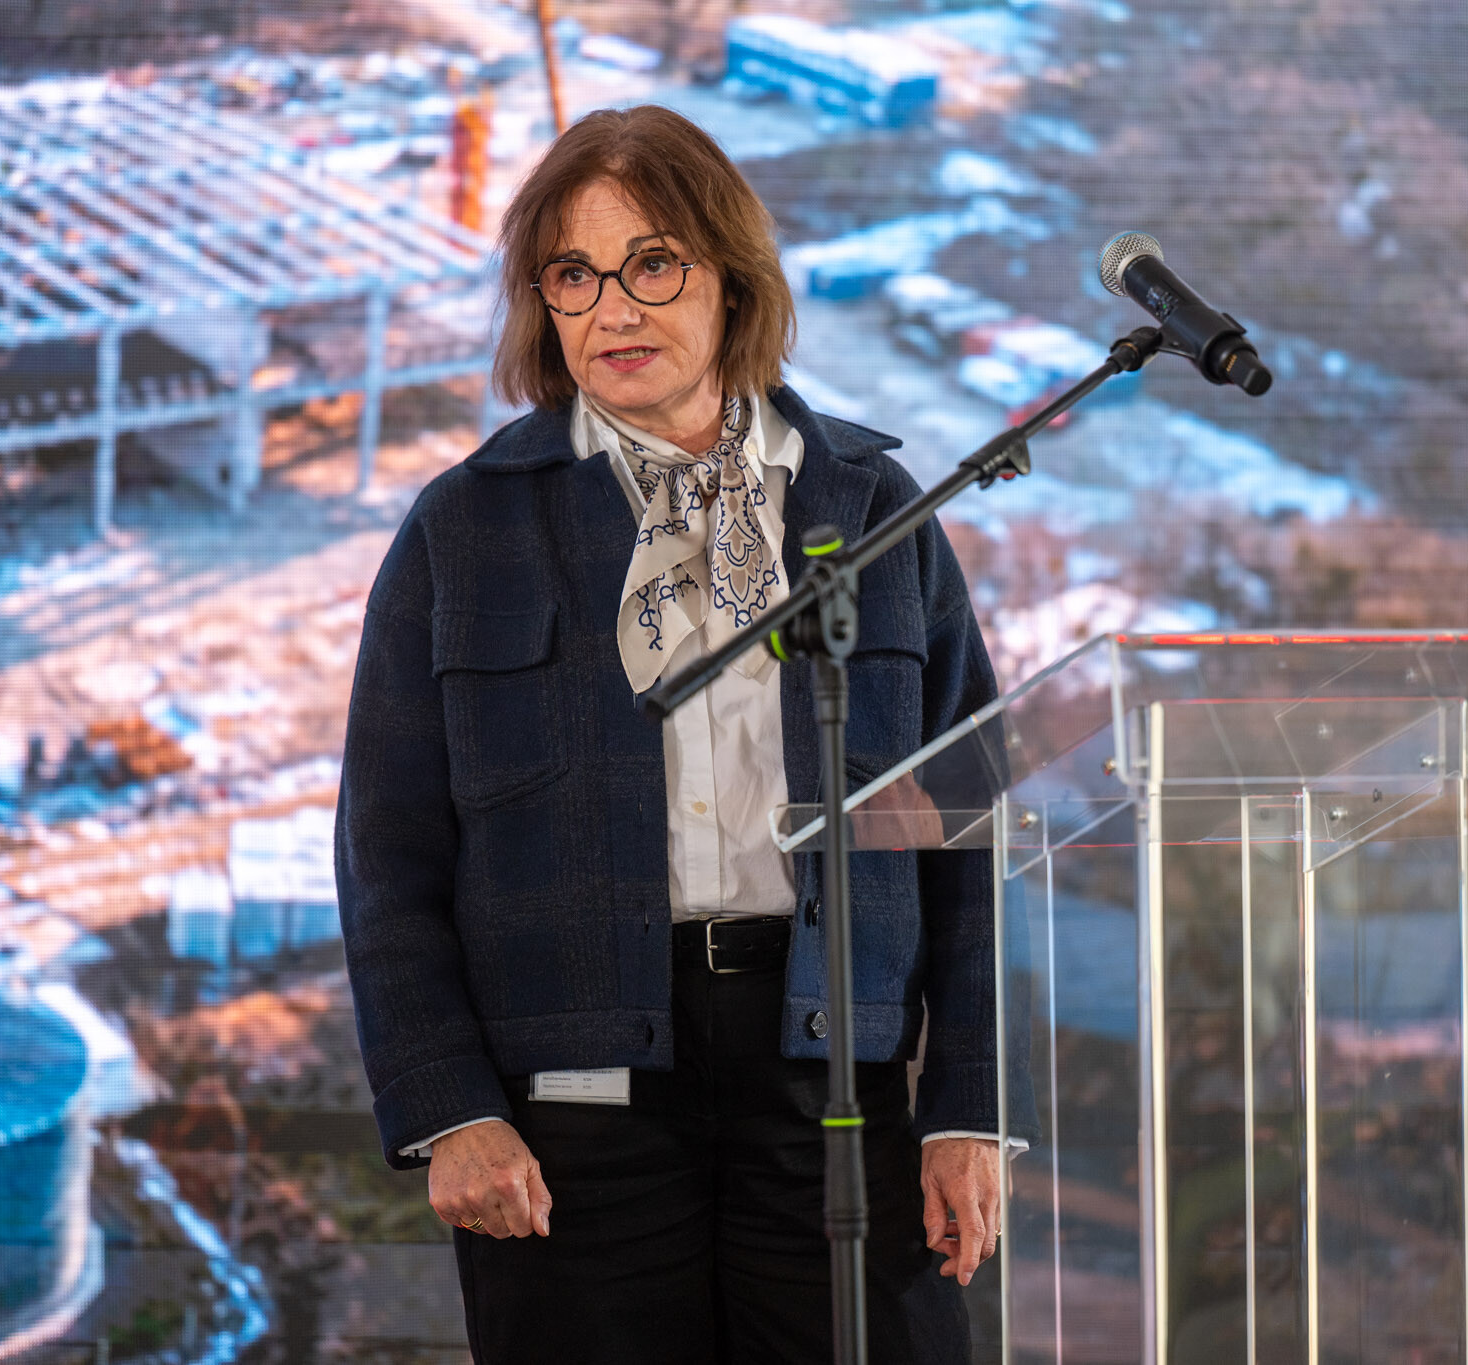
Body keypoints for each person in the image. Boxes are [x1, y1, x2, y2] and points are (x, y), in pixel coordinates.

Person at [336, 104, 1032, 1364]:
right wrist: (448, 1109)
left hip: (831, 1082)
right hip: (570, 1111)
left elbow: (969, 827)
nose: (612, 309)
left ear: (731, 277)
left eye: (651, 264)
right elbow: (386, 855)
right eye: (573, 275)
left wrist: (966, 1108)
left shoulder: (875, 508)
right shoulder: (463, 530)